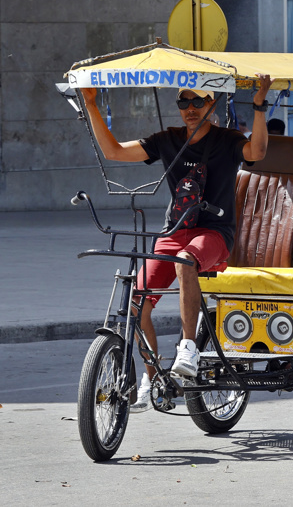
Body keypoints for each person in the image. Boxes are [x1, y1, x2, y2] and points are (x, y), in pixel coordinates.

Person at [81, 76, 272, 412]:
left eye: (197, 102)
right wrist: (92, 105)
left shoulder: (228, 140)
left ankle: (188, 347)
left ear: (212, 104)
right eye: (183, 103)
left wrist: (258, 107)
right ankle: (152, 379)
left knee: (186, 260)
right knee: (137, 300)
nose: (190, 109)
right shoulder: (168, 140)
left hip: (213, 232)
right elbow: (113, 151)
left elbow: (256, 151)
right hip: (175, 230)